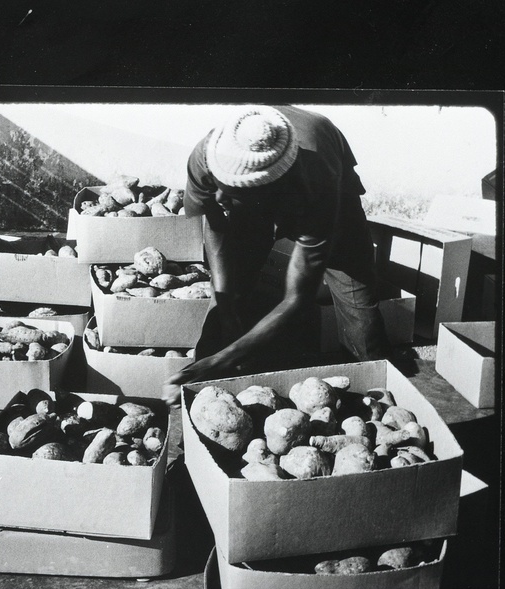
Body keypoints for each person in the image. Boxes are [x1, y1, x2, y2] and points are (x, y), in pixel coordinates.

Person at [164, 105, 391, 405]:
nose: (219, 197)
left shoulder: (317, 183)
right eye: (218, 186)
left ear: (265, 191)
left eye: (230, 192)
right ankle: (201, 398)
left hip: (325, 179)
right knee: (223, 307)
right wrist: (226, 304)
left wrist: (223, 359)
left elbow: (296, 298)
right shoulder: (208, 155)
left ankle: (373, 391)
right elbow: (215, 223)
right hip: (259, 196)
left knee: (357, 304)